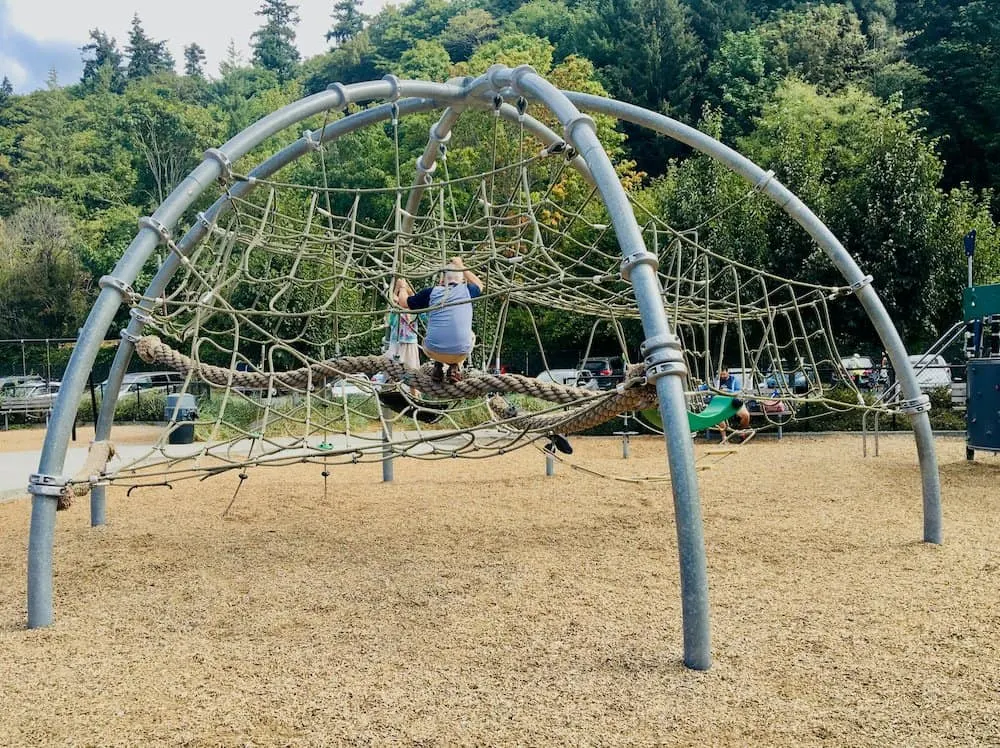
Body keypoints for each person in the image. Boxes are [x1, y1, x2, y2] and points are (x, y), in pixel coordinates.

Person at [396, 256, 484, 384]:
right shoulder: (467, 291)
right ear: (462, 281)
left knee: (430, 334)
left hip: (433, 350)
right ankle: (455, 367)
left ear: (442, 280)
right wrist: (461, 266)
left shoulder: (432, 292)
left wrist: (403, 287)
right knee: (471, 335)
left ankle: (438, 366)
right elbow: (479, 285)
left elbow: (403, 303)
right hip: (460, 352)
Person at [713, 366, 752, 431]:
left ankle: (742, 431)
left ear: (728, 372)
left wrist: (728, 391)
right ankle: (724, 437)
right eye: (721, 374)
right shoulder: (717, 381)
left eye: (724, 374)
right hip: (721, 403)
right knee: (719, 417)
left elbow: (739, 391)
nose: (722, 376)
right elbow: (707, 387)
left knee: (746, 415)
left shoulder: (734, 380)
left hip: (733, 402)